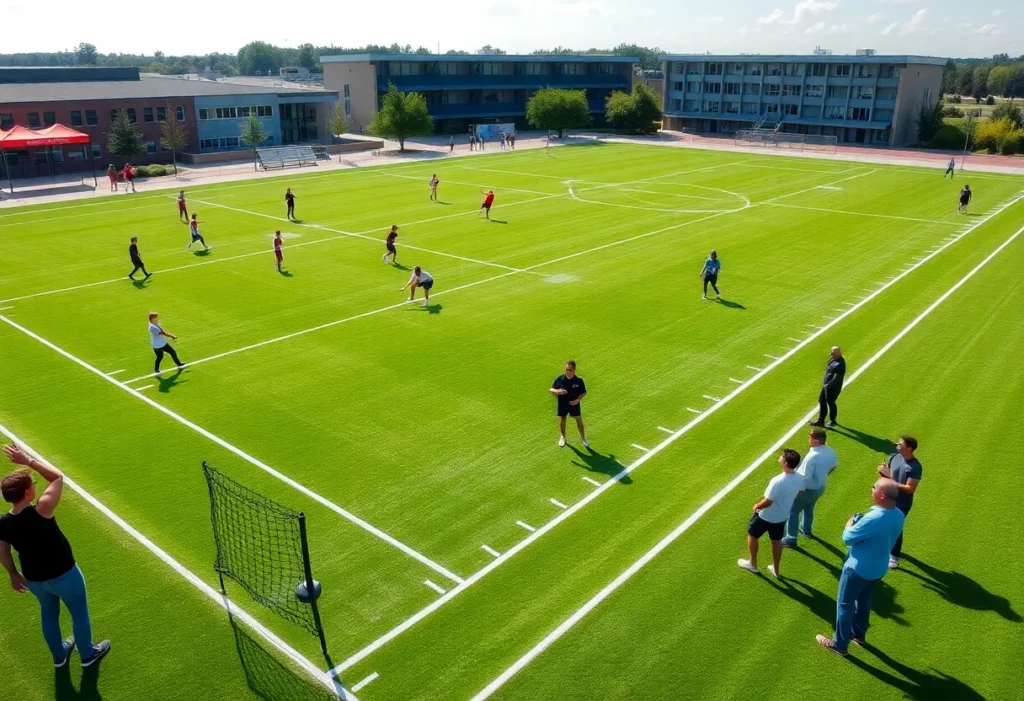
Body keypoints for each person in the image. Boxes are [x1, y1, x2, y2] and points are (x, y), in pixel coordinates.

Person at [0, 444, 112, 668]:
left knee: (49, 614)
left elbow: (3, 550)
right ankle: (87, 654)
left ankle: (59, 657)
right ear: (27, 493)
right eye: (33, 484)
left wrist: (13, 573)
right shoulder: (42, 509)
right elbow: (58, 478)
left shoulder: (3, 522)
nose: (35, 486)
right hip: (64, 574)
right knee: (79, 613)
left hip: (35, 579)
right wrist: (29, 461)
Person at [816, 479, 905, 656]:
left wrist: (850, 524)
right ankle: (859, 635)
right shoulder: (899, 514)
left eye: (874, 487)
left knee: (845, 604)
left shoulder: (873, 518)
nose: (871, 489)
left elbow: (847, 538)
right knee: (864, 600)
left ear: (881, 495)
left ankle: (839, 644)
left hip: (858, 569)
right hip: (878, 568)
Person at [738, 449, 804, 578]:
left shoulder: (777, 480)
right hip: (782, 516)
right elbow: (799, 493)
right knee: (776, 540)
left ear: (784, 462)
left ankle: (753, 563)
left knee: (752, 534)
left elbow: (768, 501)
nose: (779, 458)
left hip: (766, 516)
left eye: (781, 457)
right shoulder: (800, 478)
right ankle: (776, 569)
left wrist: (757, 506)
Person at [782, 428, 838, 547]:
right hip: (820, 488)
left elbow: (804, 478)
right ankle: (806, 530)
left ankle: (791, 539)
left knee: (793, 511)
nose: (808, 439)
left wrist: (797, 492)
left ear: (816, 440)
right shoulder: (830, 451)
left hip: (808, 490)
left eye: (810, 437)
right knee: (809, 508)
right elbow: (834, 466)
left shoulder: (811, 457)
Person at [877, 435, 922, 570]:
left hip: (902, 503)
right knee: (884, 523)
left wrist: (890, 480)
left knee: (896, 528)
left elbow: (910, 489)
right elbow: (888, 472)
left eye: (900, 444)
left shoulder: (915, 467)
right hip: (887, 497)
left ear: (909, 448)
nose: (897, 446)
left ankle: (895, 556)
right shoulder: (894, 457)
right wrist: (883, 473)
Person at [550, 360, 589, 449]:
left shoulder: (578, 380)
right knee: (563, 420)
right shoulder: (560, 379)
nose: (568, 371)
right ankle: (563, 437)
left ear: (574, 370)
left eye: (570, 370)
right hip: (563, 403)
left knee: (579, 420)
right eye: (567, 369)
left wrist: (578, 400)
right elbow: (551, 389)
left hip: (574, 403)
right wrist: (558, 391)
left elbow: (584, 392)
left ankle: (583, 438)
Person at [810, 346, 845, 428]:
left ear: (838, 353)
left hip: (833, 387)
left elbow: (837, 377)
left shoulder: (840, 364)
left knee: (831, 402)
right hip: (826, 385)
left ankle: (833, 420)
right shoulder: (833, 359)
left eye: (832, 353)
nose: (831, 354)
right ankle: (821, 420)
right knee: (821, 401)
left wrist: (829, 384)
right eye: (831, 352)